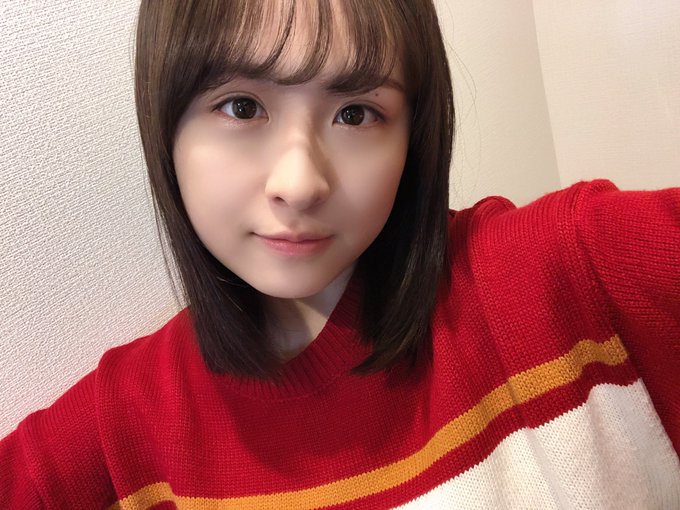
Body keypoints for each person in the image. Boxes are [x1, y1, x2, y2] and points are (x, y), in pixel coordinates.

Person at [1, 0, 679, 508]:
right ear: (166, 128)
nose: (300, 183)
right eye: (242, 107)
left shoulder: (565, 273)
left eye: (355, 113)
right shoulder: (129, 423)